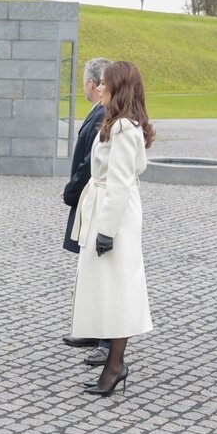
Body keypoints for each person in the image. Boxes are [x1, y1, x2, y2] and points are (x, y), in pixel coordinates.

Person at [69, 61, 154, 396]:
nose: (99, 88)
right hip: (109, 209)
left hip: (114, 216)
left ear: (118, 89)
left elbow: (119, 183)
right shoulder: (119, 124)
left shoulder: (122, 128)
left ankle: (116, 365)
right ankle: (114, 364)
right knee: (109, 289)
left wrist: (105, 231)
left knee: (117, 290)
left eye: (104, 83)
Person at [61, 58, 112, 367]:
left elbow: (91, 165)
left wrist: (71, 190)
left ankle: (106, 340)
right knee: (87, 267)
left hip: (95, 199)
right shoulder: (100, 113)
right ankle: (92, 328)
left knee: (100, 269)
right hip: (90, 198)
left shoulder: (107, 117)